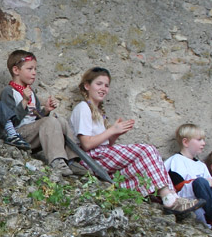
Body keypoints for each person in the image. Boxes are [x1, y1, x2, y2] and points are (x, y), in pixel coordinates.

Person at [68, 67, 202, 214]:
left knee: (146, 161)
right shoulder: (83, 108)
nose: (103, 88)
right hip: (89, 160)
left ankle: (170, 198)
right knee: (148, 150)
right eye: (99, 84)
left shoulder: (98, 112)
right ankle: (169, 199)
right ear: (87, 86)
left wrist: (114, 135)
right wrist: (112, 130)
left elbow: (103, 144)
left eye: (106, 85)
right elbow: (86, 144)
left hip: (101, 156)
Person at [0, 50, 85, 175]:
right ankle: (56, 160)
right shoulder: (8, 92)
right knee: (49, 121)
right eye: (29, 69)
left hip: (32, 133)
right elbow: (10, 121)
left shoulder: (31, 92)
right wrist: (24, 101)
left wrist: (45, 110)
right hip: (18, 135)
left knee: (60, 121)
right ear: (16, 70)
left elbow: (37, 118)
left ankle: (71, 160)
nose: (34, 73)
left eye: (35, 69)